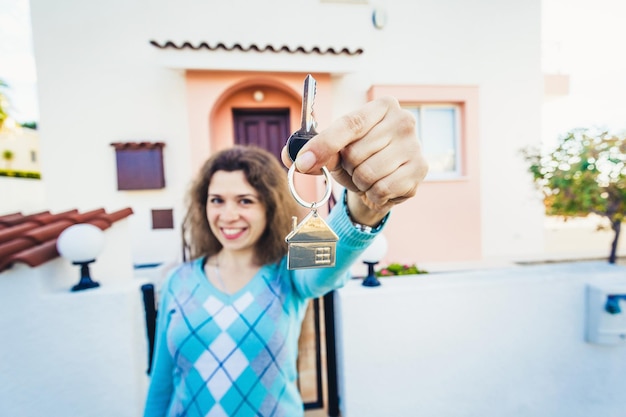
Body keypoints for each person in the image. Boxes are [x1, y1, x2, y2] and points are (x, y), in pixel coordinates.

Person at [143, 96, 429, 417]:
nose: (228, 214)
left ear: (269, 207)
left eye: (245, 201)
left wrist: (365, 204)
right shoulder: (177, 281)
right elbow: (162, 384)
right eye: (217, 200)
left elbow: (326, 267)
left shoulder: (287, 274)